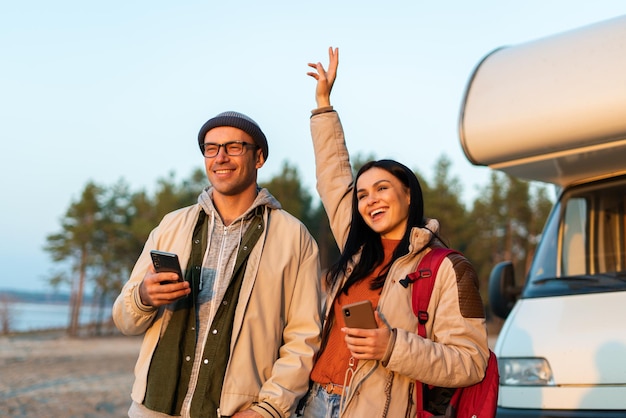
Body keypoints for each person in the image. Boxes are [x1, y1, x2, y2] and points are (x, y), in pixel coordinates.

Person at [297, 47, 490, 417]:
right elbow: (333, 177)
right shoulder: (359, 248)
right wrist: (323, 105)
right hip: (316, 403)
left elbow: (471, 362)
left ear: (407, 193)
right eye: (364, 194)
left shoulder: (447, 267)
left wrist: (392, 346)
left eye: (382, 188)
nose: (371, 200)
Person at [112, 111, 323, 418]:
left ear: (259, 157)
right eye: (211, 148)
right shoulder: (171, 226)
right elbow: (124, 319)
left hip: (236, 412)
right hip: (153, 409)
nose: (220, 157)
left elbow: (304, 338)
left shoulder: (294, 238)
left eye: (234, 147)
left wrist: (269, 409)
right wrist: (143, 298)